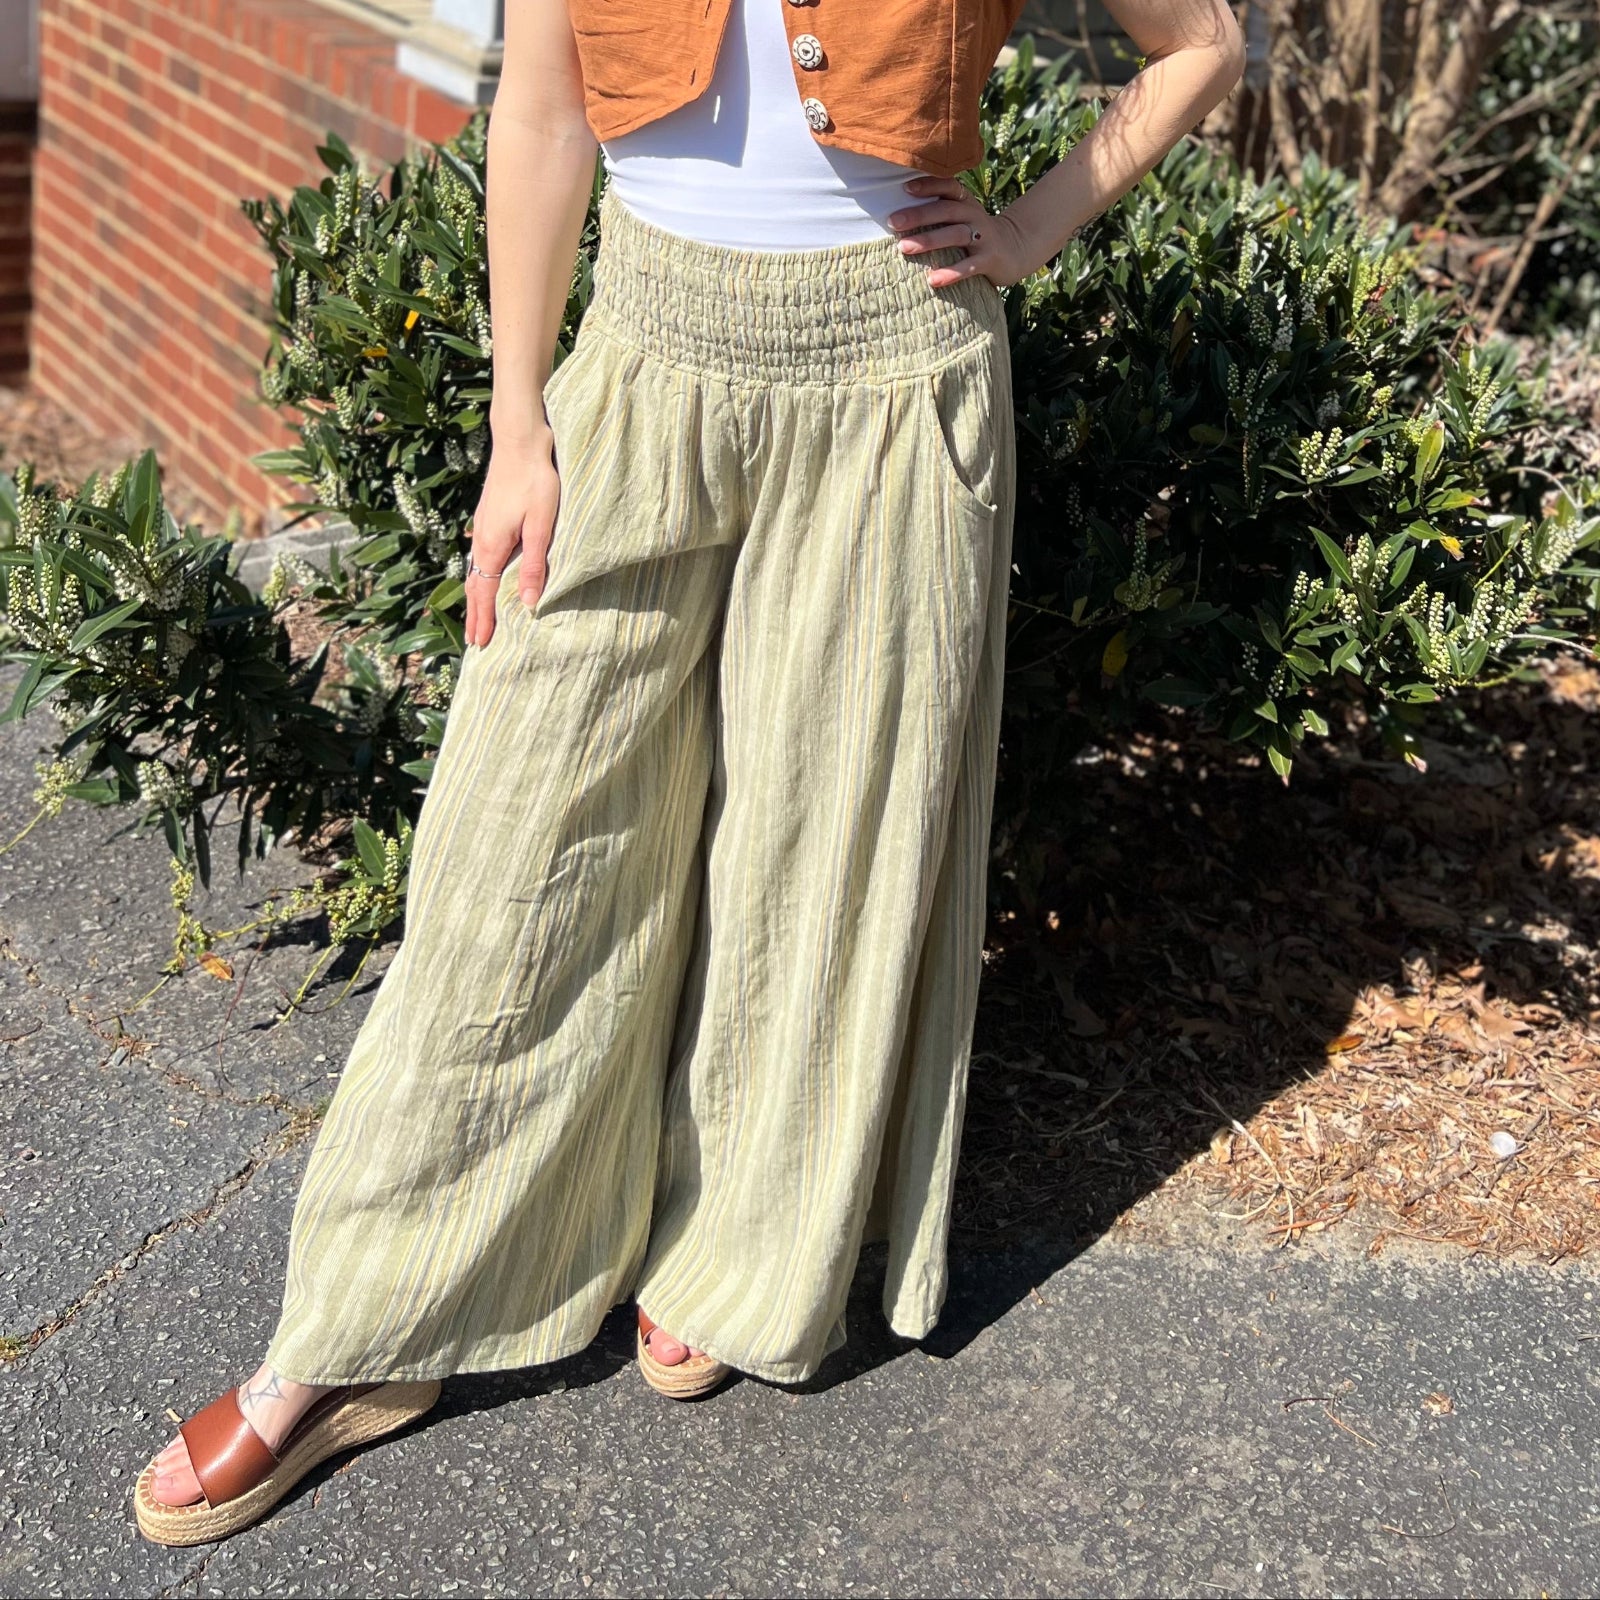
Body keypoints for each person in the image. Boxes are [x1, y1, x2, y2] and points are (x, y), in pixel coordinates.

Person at [134, 0, 1244, 1546]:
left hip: (895, 375)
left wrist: (1031, 228)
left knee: (818, 845)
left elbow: (1204, 42)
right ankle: (350, 1331)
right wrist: (519, 427)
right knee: (511, 851)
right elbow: (538, 118)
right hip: (644, 360)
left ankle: (739, 1248)